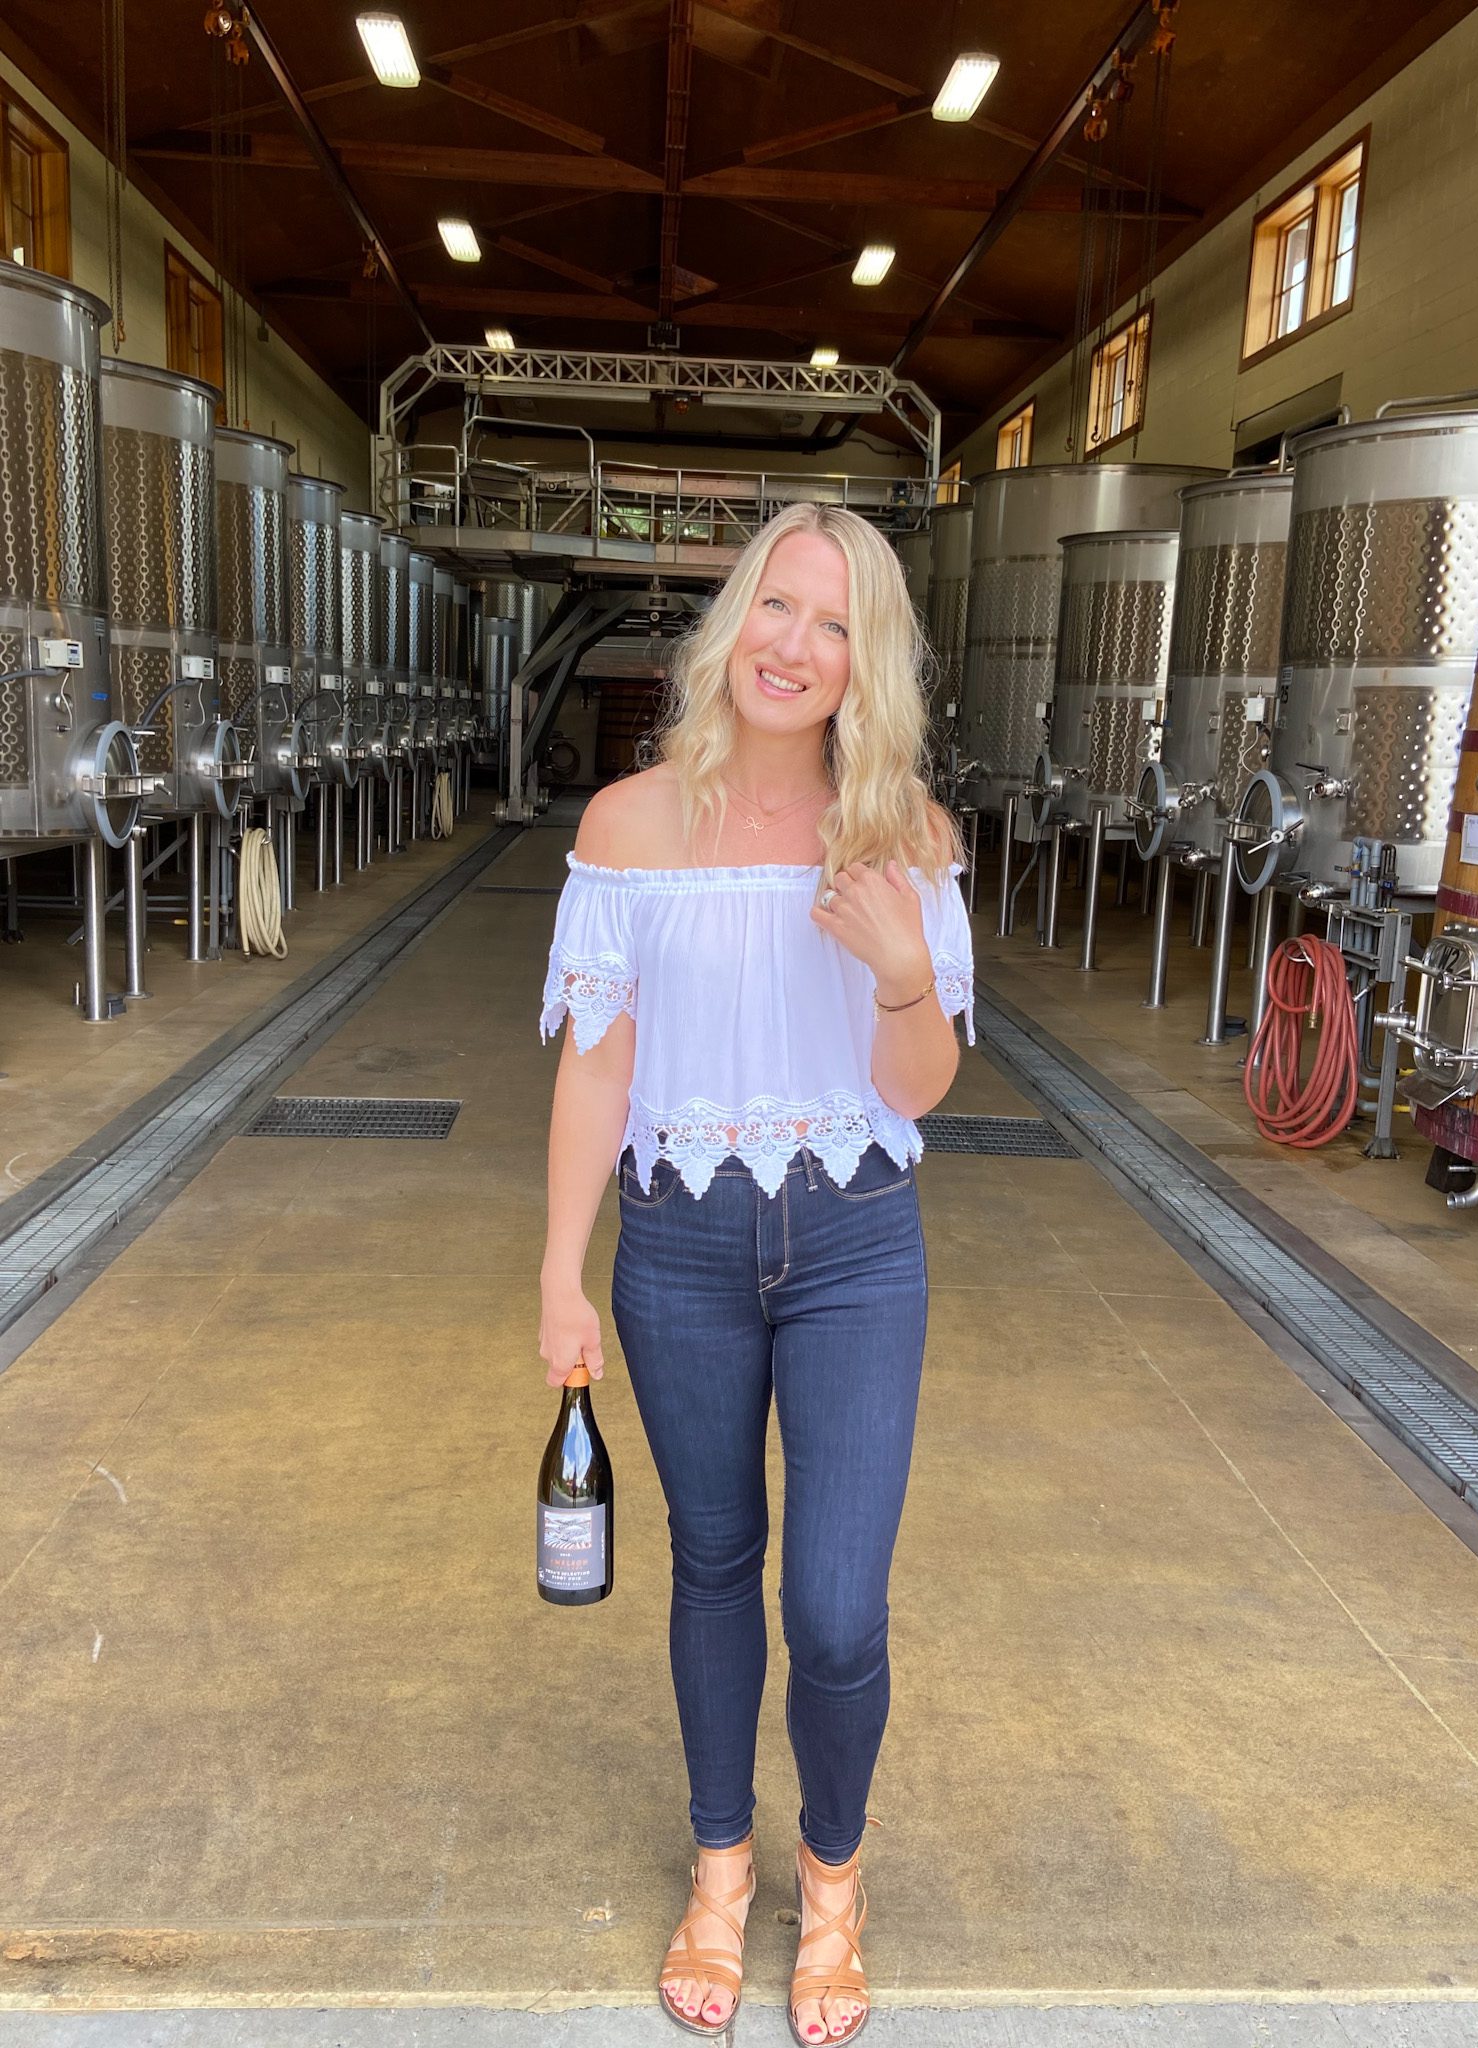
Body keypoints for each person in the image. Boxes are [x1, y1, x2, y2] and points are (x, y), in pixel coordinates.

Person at [537, 502, 974, 2045]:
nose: (796, 646)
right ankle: (721, 1869)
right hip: (678, 1245)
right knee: (714, 1559)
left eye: (836, 624)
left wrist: (906, 976)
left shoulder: (904, 839)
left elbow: (918, 1090)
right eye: (777, 608)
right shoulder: (629, 829)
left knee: (837, 1608)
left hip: (857, 1241)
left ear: (870, 662)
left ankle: (832, 1879)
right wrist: (560, 1270)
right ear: (734, 622)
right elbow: (599, 1067)